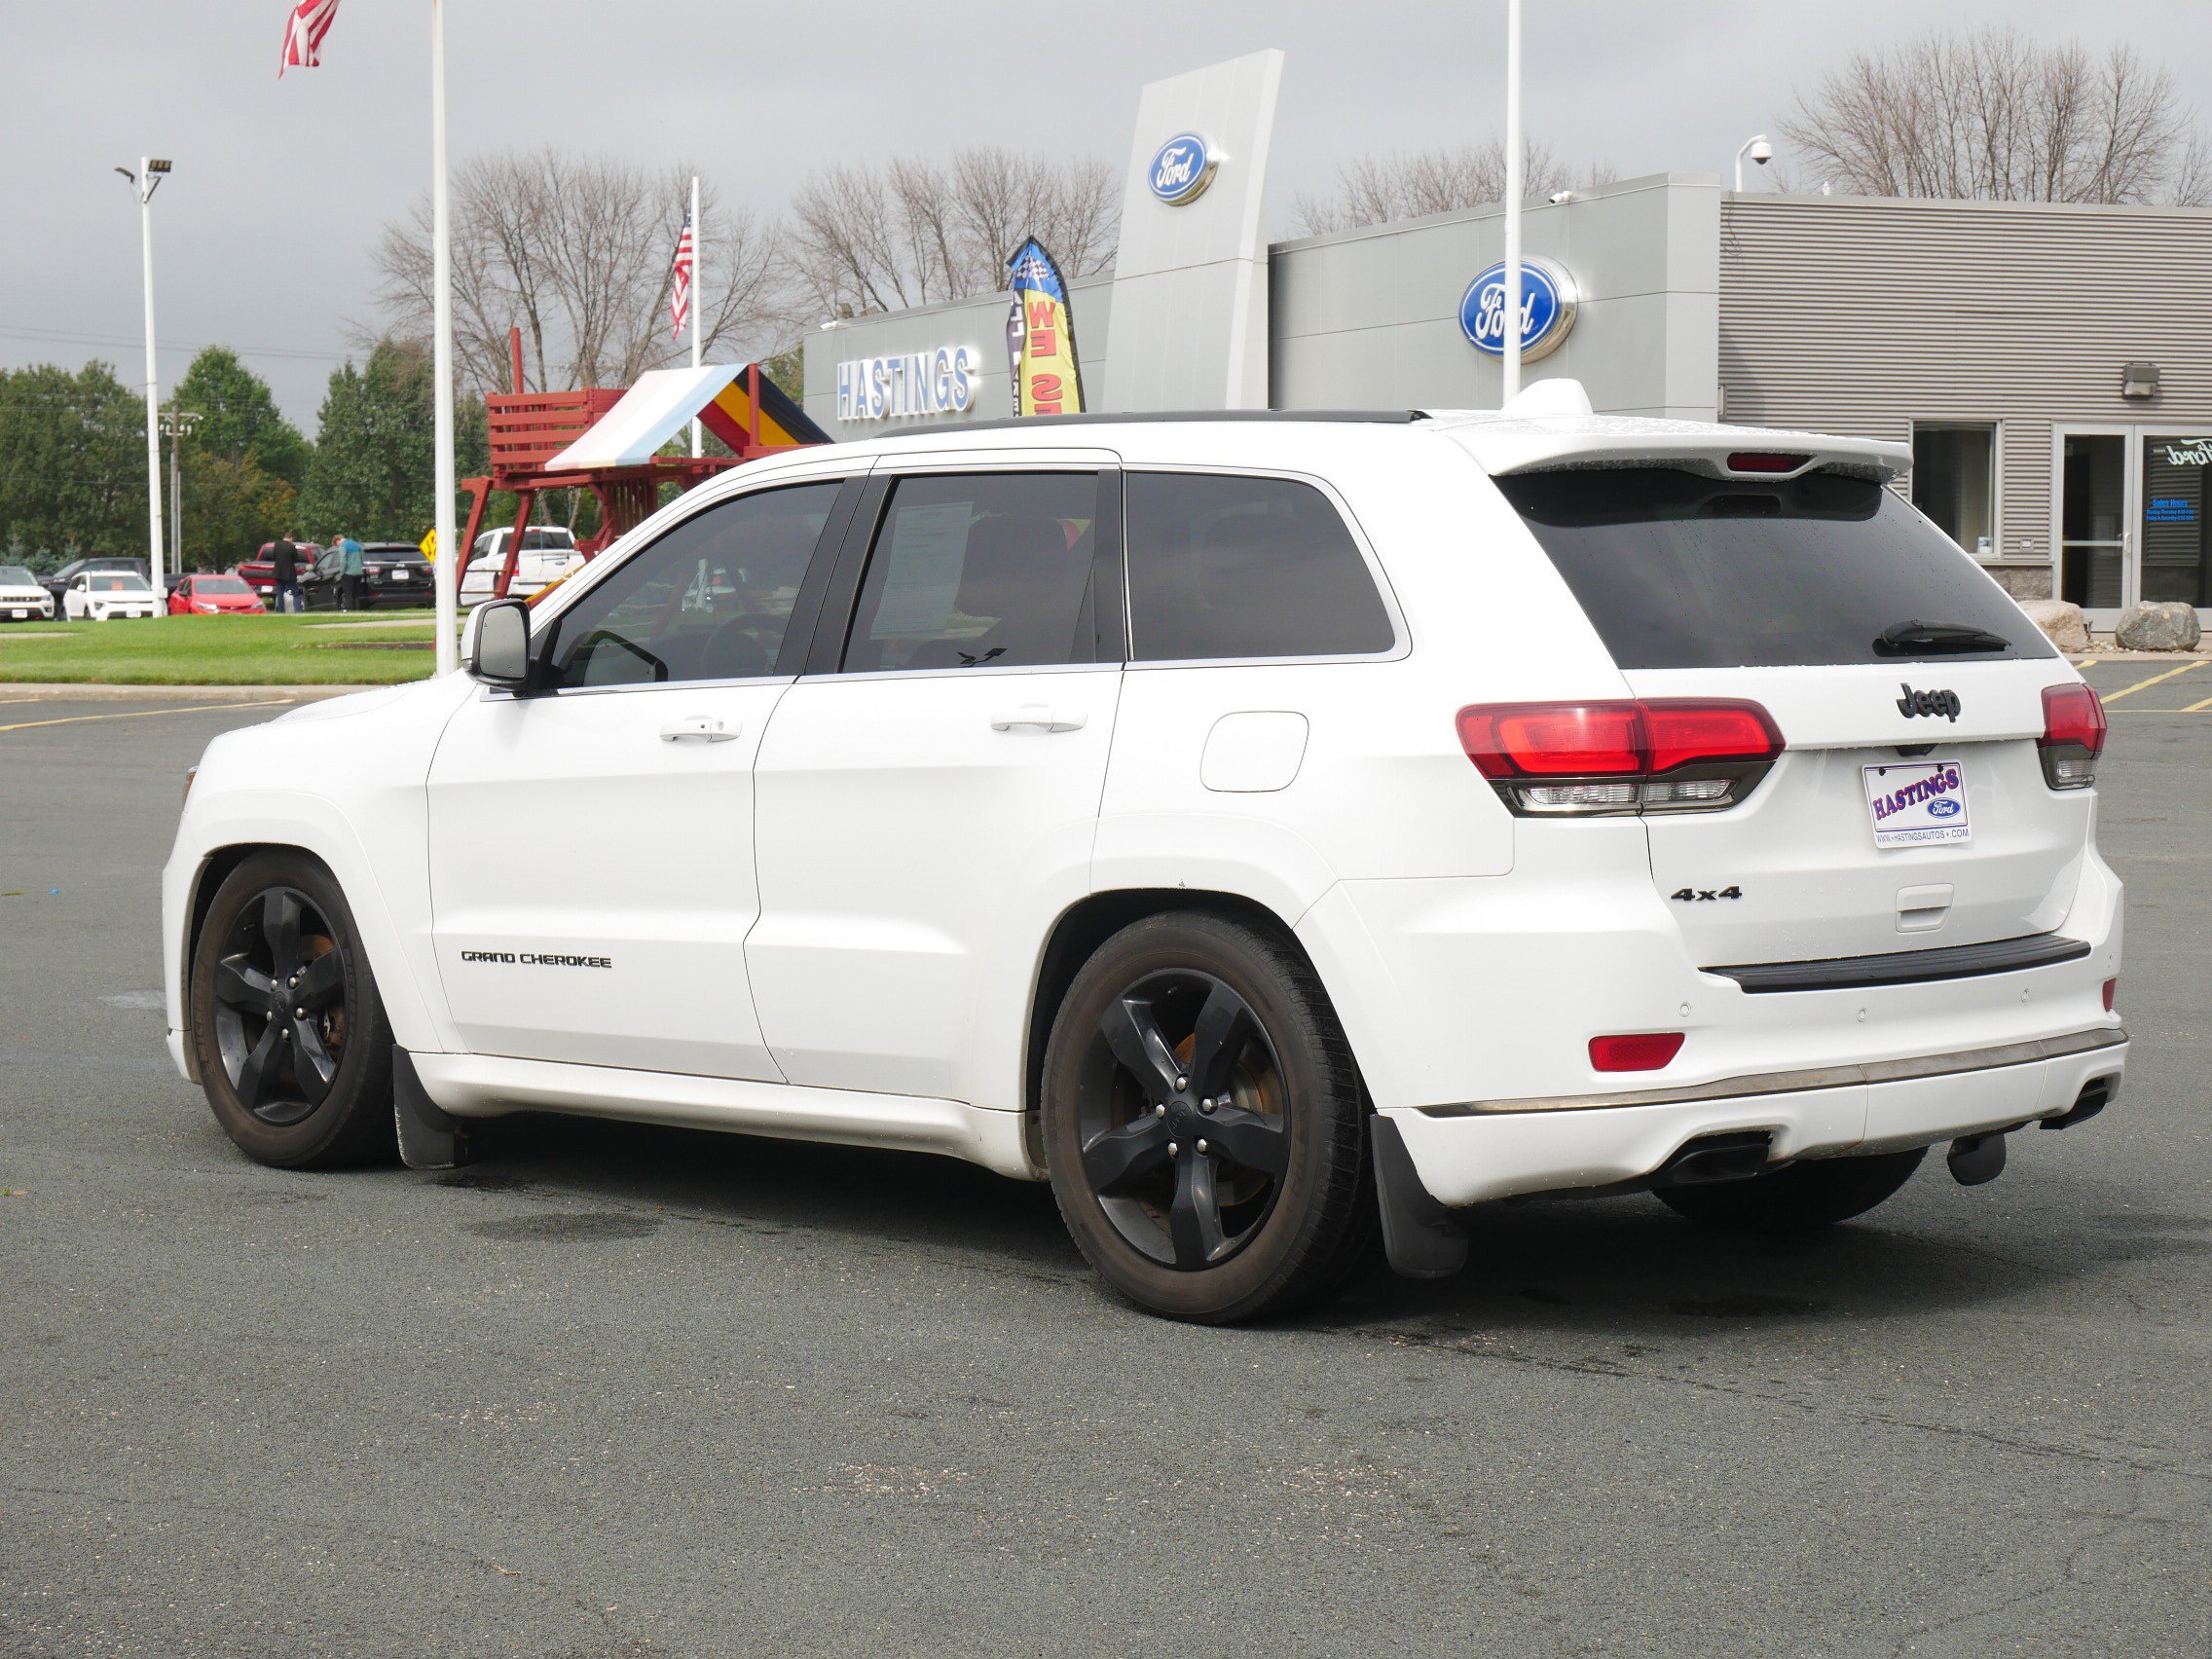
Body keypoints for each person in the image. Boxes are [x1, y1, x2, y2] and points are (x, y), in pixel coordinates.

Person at [270, 534, 302, 613]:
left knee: (280, 592)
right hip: (289, 573)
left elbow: (274, 556)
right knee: (295, 592)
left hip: (278, 572)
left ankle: (281, 610)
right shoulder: (292, 546)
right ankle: (298, 610)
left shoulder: (277, 545)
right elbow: (296, 559)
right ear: (290, 538)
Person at [336, 533, 365, 612]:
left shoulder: (343, 546)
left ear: (338, 540)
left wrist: (341, 573)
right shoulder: (356, 544)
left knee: (348, 594)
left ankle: (351, 611)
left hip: (348, 573)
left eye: (336, 544)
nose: (337, 546)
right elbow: (362, 558)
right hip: (358, 572)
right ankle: (357, 610)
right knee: (356, 594)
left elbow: (343, 562)